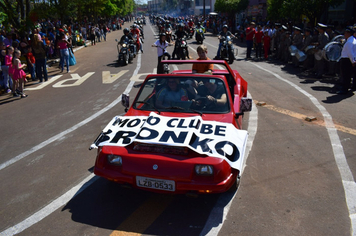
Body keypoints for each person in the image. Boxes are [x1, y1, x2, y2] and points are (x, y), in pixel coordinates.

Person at [334, 27, 356, 94]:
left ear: (349, 33)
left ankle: (344, 89)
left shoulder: (350, 42)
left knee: (346, 75)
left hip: (347, 60)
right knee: (348, 75)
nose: (344, 34)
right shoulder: (352, 40)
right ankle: (348, 87)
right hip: (349, 59)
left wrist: (353, 61)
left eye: (346, 33)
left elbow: (350, 53)